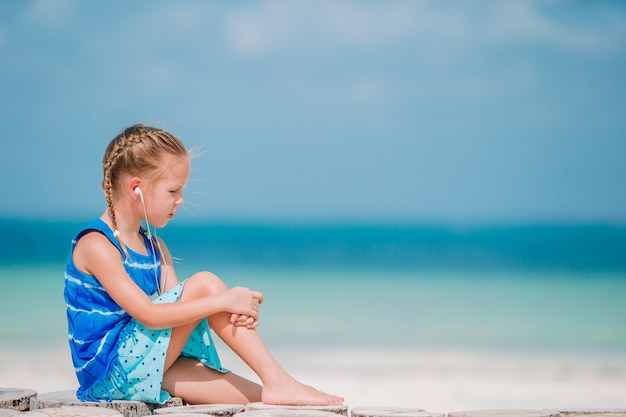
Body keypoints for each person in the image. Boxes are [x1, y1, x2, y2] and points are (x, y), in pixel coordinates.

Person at [64, 124, 343, 406]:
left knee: (258, 399)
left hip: (144, 366)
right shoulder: (97, 245)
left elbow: (181, 315)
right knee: (206, 284)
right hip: (111, 375)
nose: (180, 200)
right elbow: (150, 315)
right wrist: (223, 301)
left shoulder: (155, 247)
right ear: (136, 188)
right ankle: (278, 379)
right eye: (173, 190)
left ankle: (279, 387)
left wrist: (230, 309)